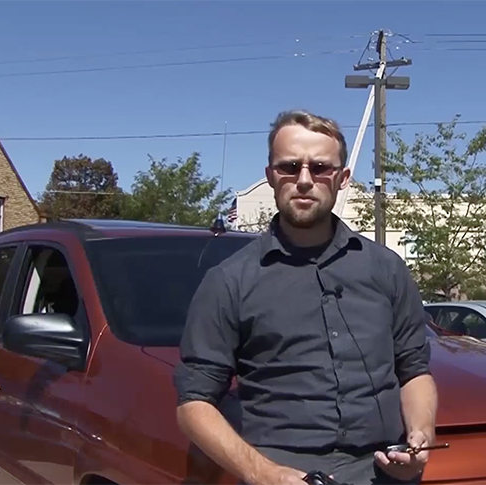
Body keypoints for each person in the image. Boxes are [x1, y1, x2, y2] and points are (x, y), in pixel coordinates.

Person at [174, 109, 438, 485]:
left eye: (319, 168)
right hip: (283, 473)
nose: (303, 180)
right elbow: (194, 404)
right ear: (270, 176)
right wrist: (264, 474)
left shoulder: (387, 269)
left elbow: (414, 371)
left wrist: (421, 439)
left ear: (342, 178)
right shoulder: (229, 281)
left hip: (384, 473)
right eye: (289, 167)